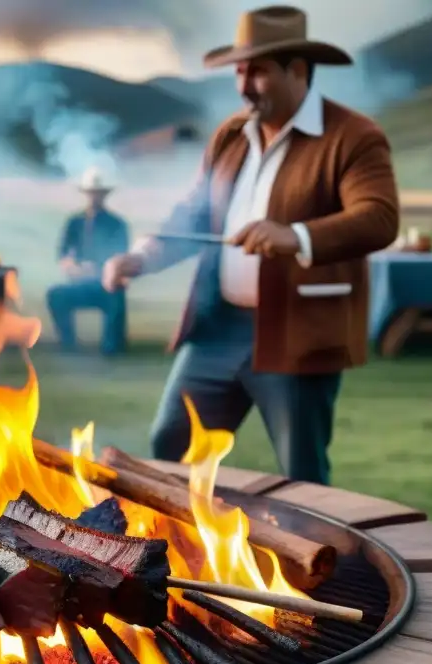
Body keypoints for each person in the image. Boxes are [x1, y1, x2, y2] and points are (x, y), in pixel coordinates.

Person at [101, 5, 400, 485]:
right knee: (170, 445)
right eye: (240, 71)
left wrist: (295, 235)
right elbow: (195, 211)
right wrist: (144, 257)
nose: (243, 86)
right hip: (218, 329)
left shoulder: (353, 136)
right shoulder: (232, 134)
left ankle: (316, 560)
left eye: (257, 72)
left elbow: (379, 218)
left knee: (302, 472)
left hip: (298, 329)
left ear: (297, 70)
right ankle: (186, 554)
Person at [46, 167, 131, 355]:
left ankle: (111, 347)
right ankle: (68, 344)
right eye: (92, 193)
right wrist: (72, 266)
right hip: (79, 283)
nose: (95, 197)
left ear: (104, 195)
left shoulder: (117, 224)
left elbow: (122, 257)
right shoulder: (74, 222)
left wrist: (100, 269)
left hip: (105, 284)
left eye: (98, 193)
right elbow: (63, 253)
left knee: (115, 296)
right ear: (86, 194)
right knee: (55, 294)